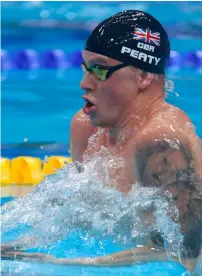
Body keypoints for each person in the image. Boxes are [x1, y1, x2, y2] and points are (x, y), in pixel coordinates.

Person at [2, 10, 202, 273]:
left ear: (143, 76)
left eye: (99, 69)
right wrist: (16, 248)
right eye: (85, 68)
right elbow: (79, 220)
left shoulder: (161, 142)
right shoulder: (86, 129)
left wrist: (67, 264)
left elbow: (187, 257)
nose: (84, 83)